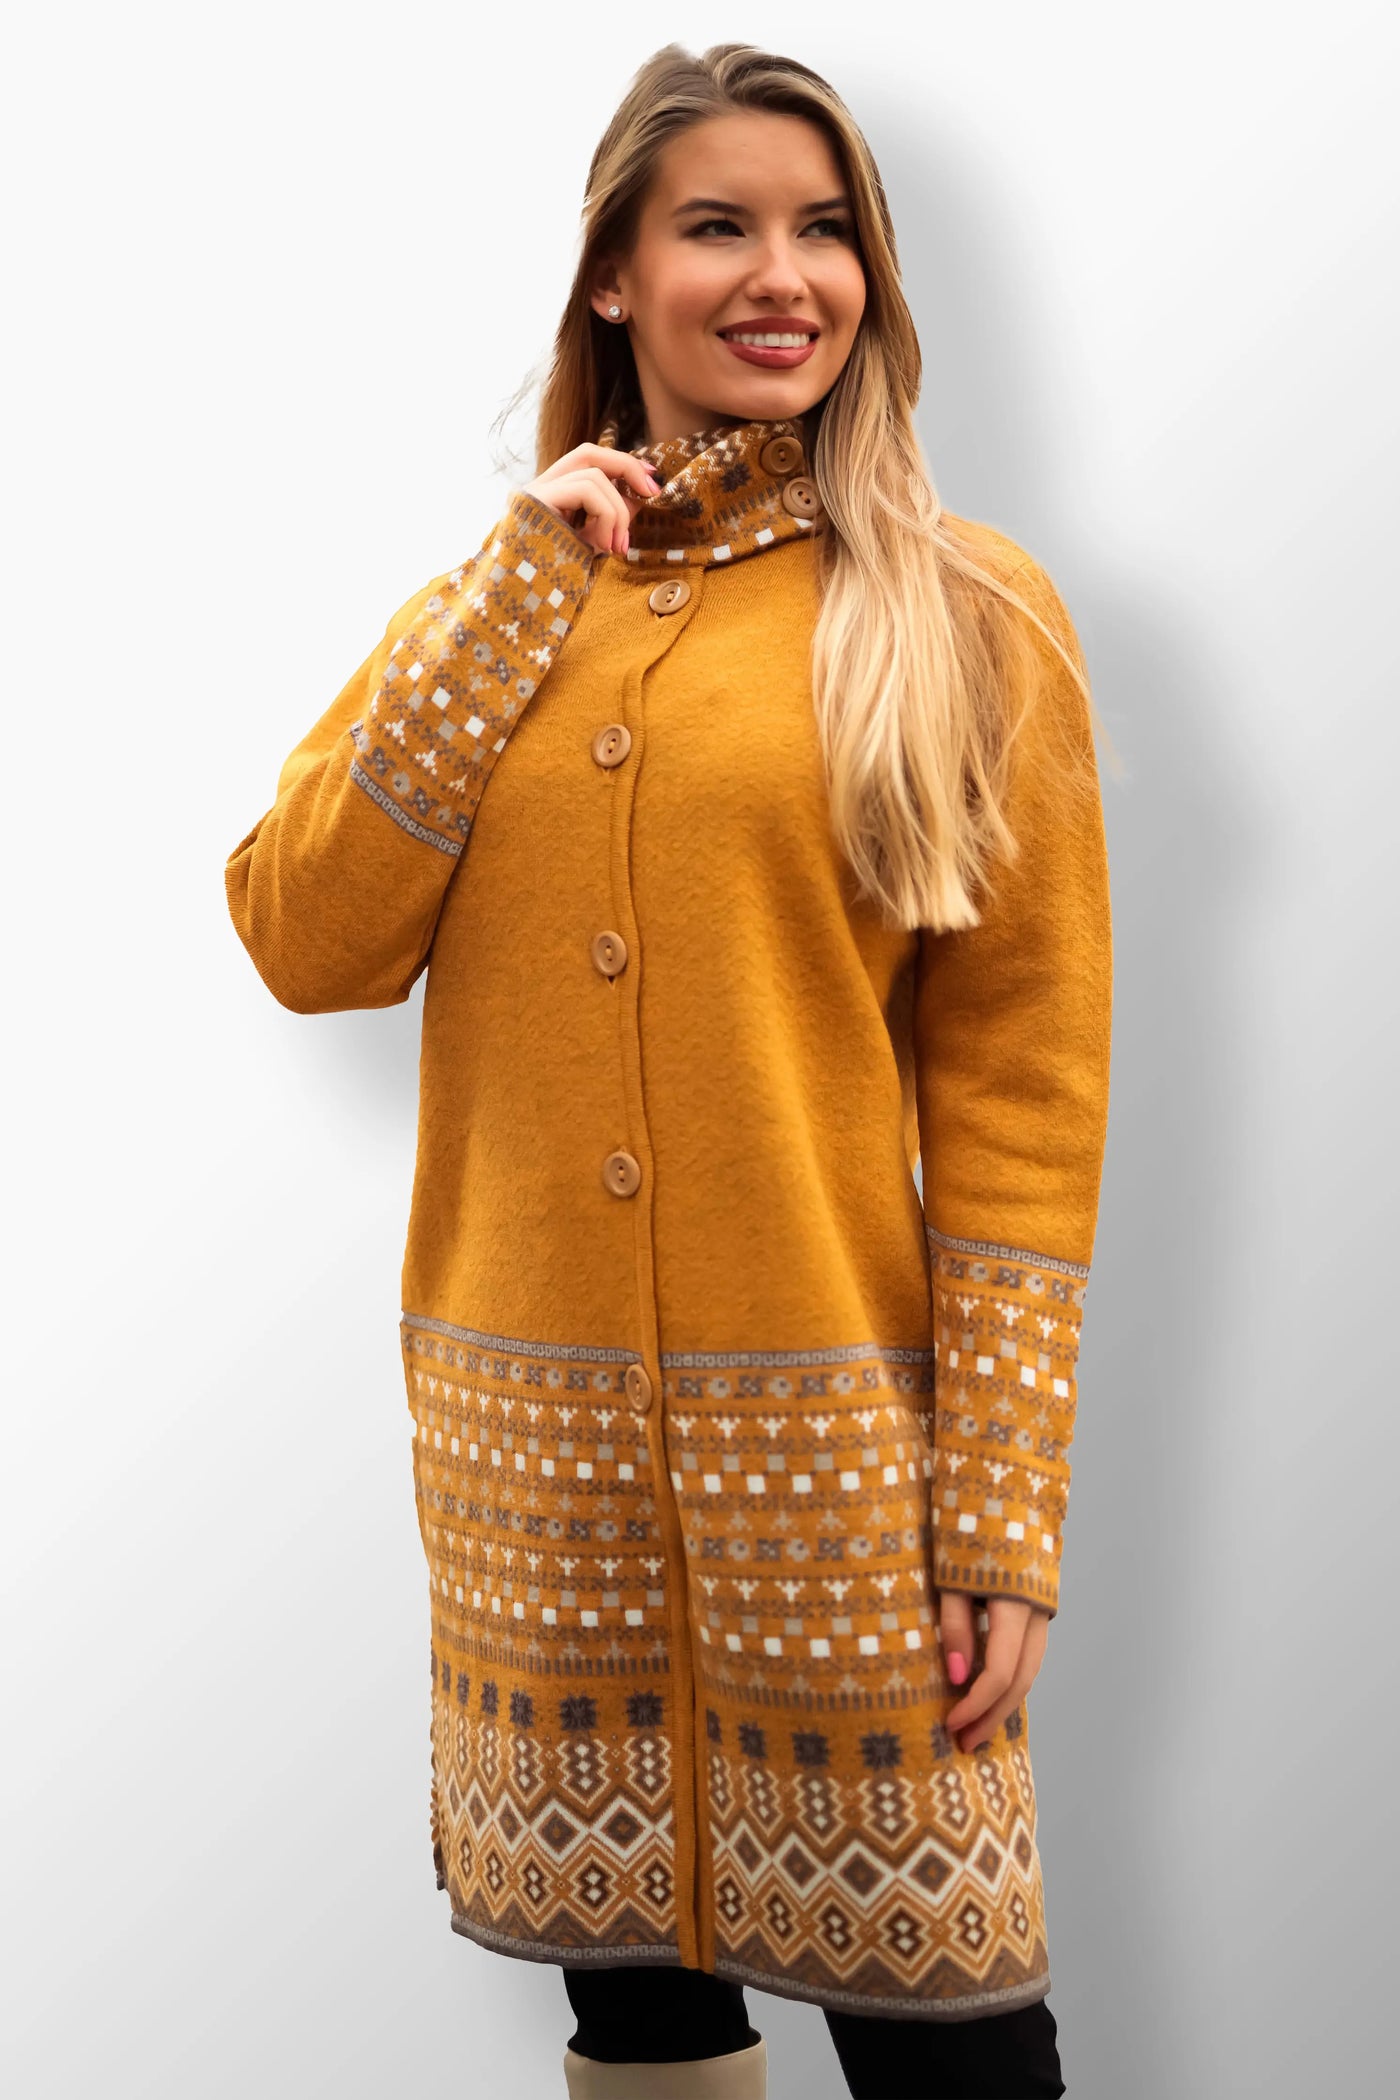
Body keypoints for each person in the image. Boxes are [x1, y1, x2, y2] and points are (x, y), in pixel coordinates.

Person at [224, 38, 1113, 2100]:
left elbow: (1024, 1088)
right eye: (719, 224)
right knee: (633, 2010)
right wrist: (515, 586)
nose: (783, 275)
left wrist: (999, 1510)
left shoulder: (967, 617)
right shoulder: (491, 613)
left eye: (827, 231)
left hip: (837, 1473)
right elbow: (303, 938)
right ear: (614, 276)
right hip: (539, 1471)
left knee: (955, 2033)